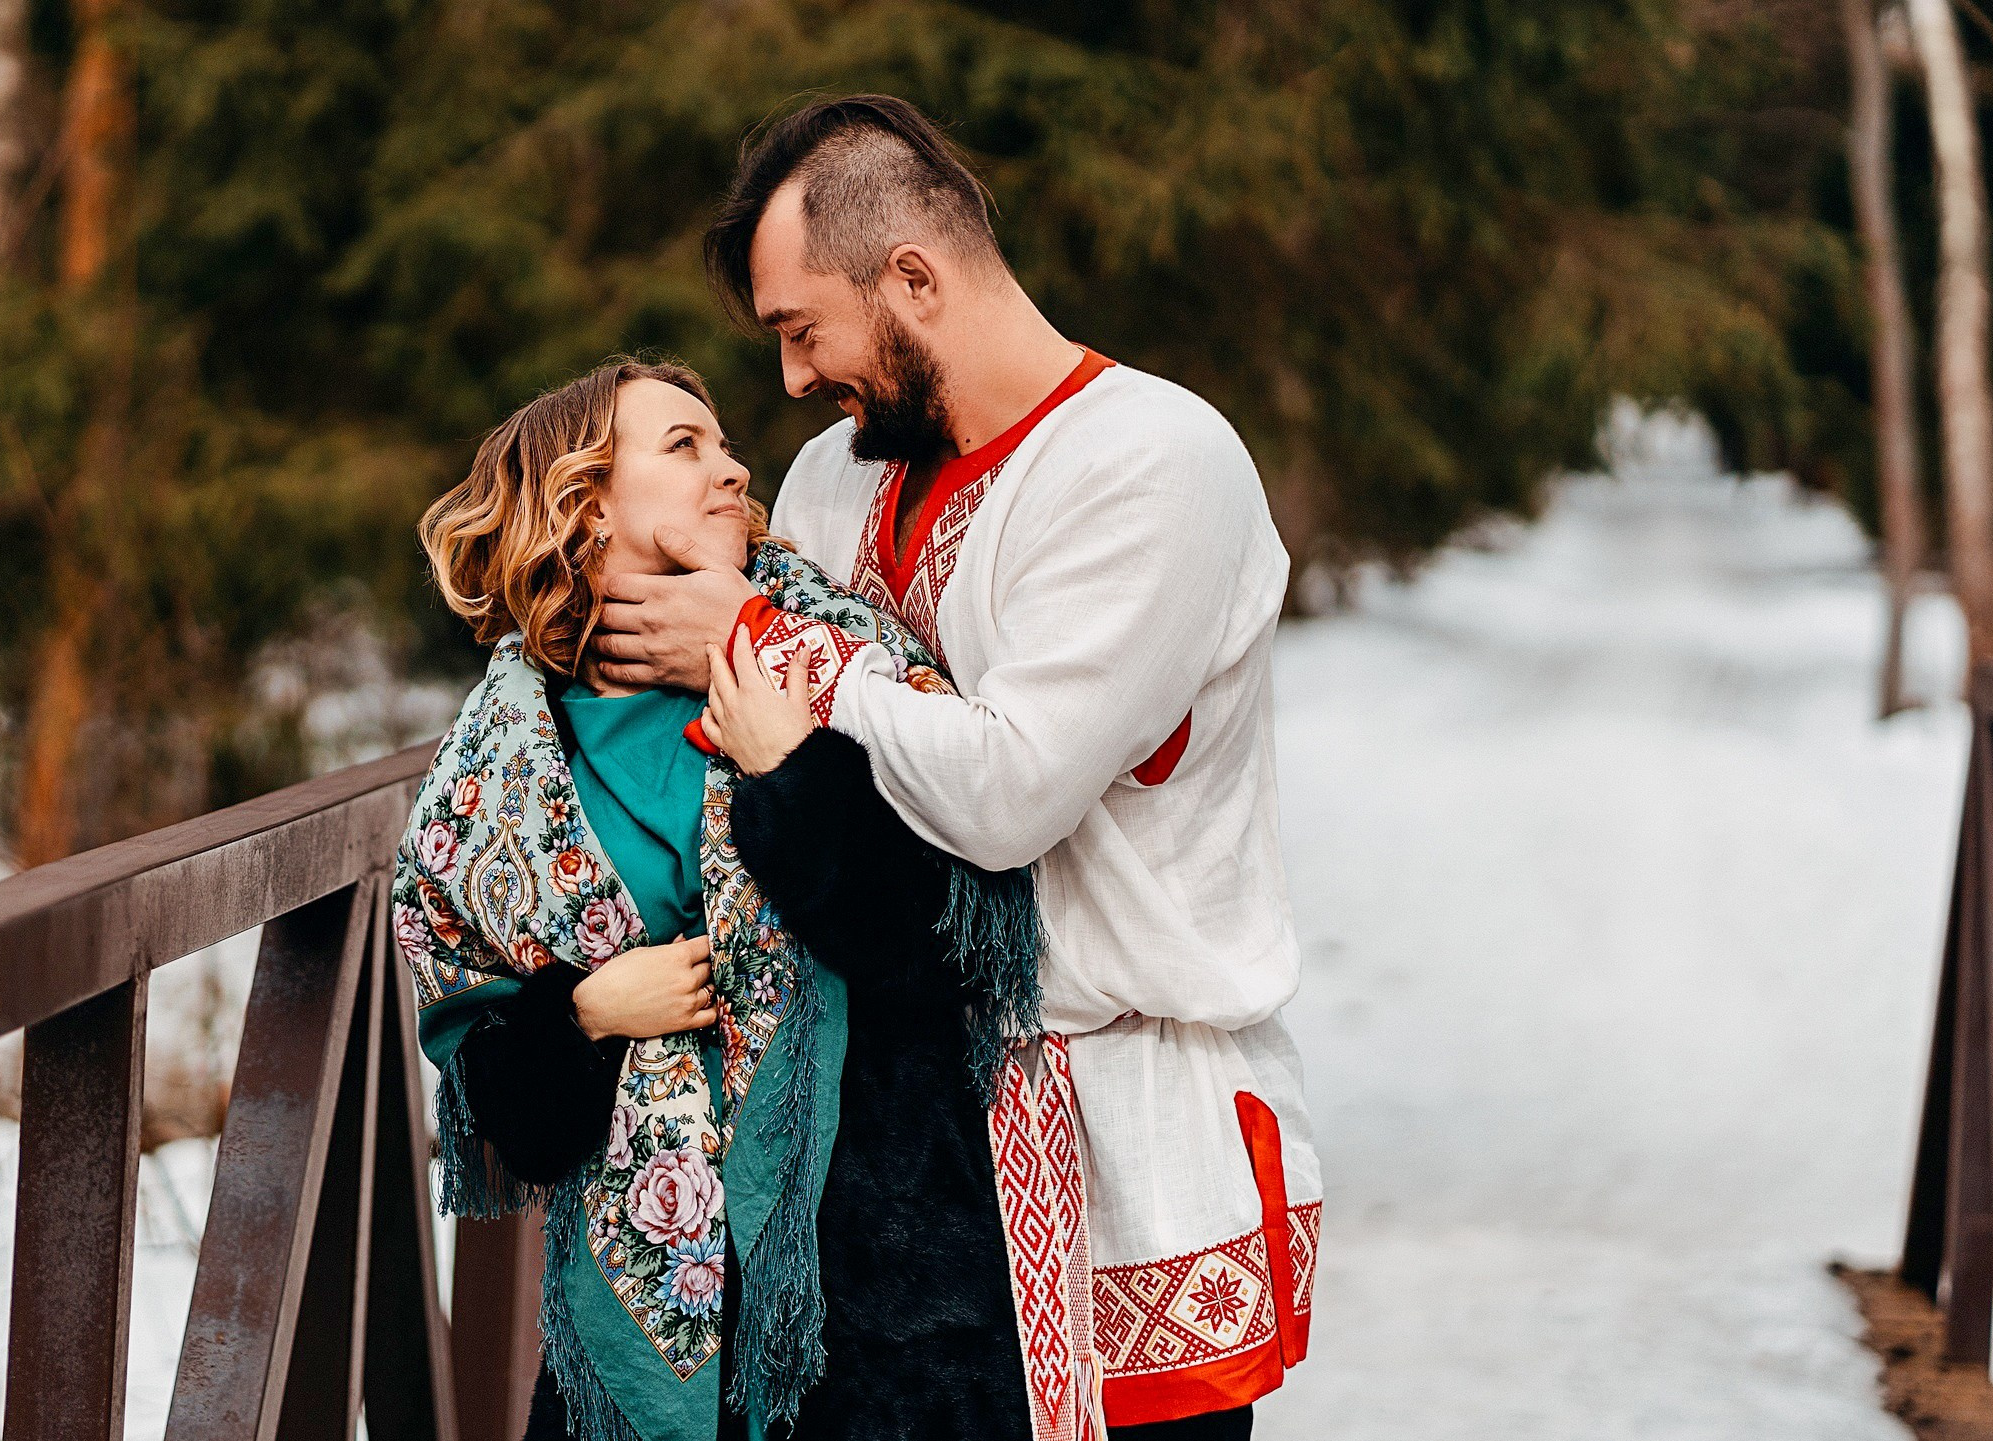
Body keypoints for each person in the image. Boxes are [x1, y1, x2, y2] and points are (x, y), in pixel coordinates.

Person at [592, 97, 1322, 1441]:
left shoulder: (1153, 462)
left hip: (1115, 1138)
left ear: (913, 279)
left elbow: (1005, 791)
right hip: (880, 1156)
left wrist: (755, 641)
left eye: (802, 328)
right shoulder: (833, 478)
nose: (792, 379)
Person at [393, 357, 1065, 1441]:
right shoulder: (501, 764)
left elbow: (936, 948)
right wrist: (585, 1012)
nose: (735, 468)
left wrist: (794, 768)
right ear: (586, 505)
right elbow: (512, 1119)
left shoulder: (835, 660)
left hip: (876, 1296)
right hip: (635, 1323)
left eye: (722, 443)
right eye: (683, 446)